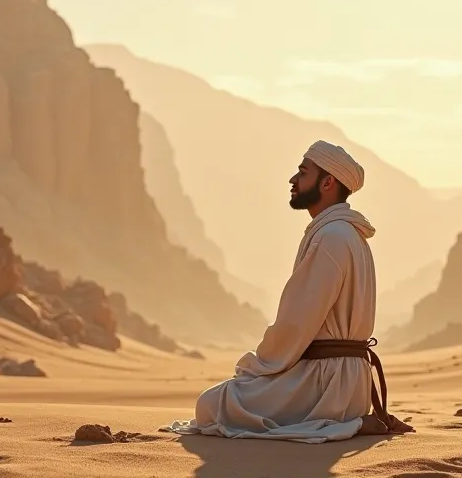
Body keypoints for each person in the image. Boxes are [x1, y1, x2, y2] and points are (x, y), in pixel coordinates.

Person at [162, 140, 414, 443]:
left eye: (302, 172)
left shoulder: (332, 237)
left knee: (211, 404)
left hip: (324, 382)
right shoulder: (348, 234)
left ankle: (347, 422)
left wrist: (258, 365)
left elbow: (296, 324)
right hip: (348, 380)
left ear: (327, 182)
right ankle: (350, 419)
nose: (293, 180)